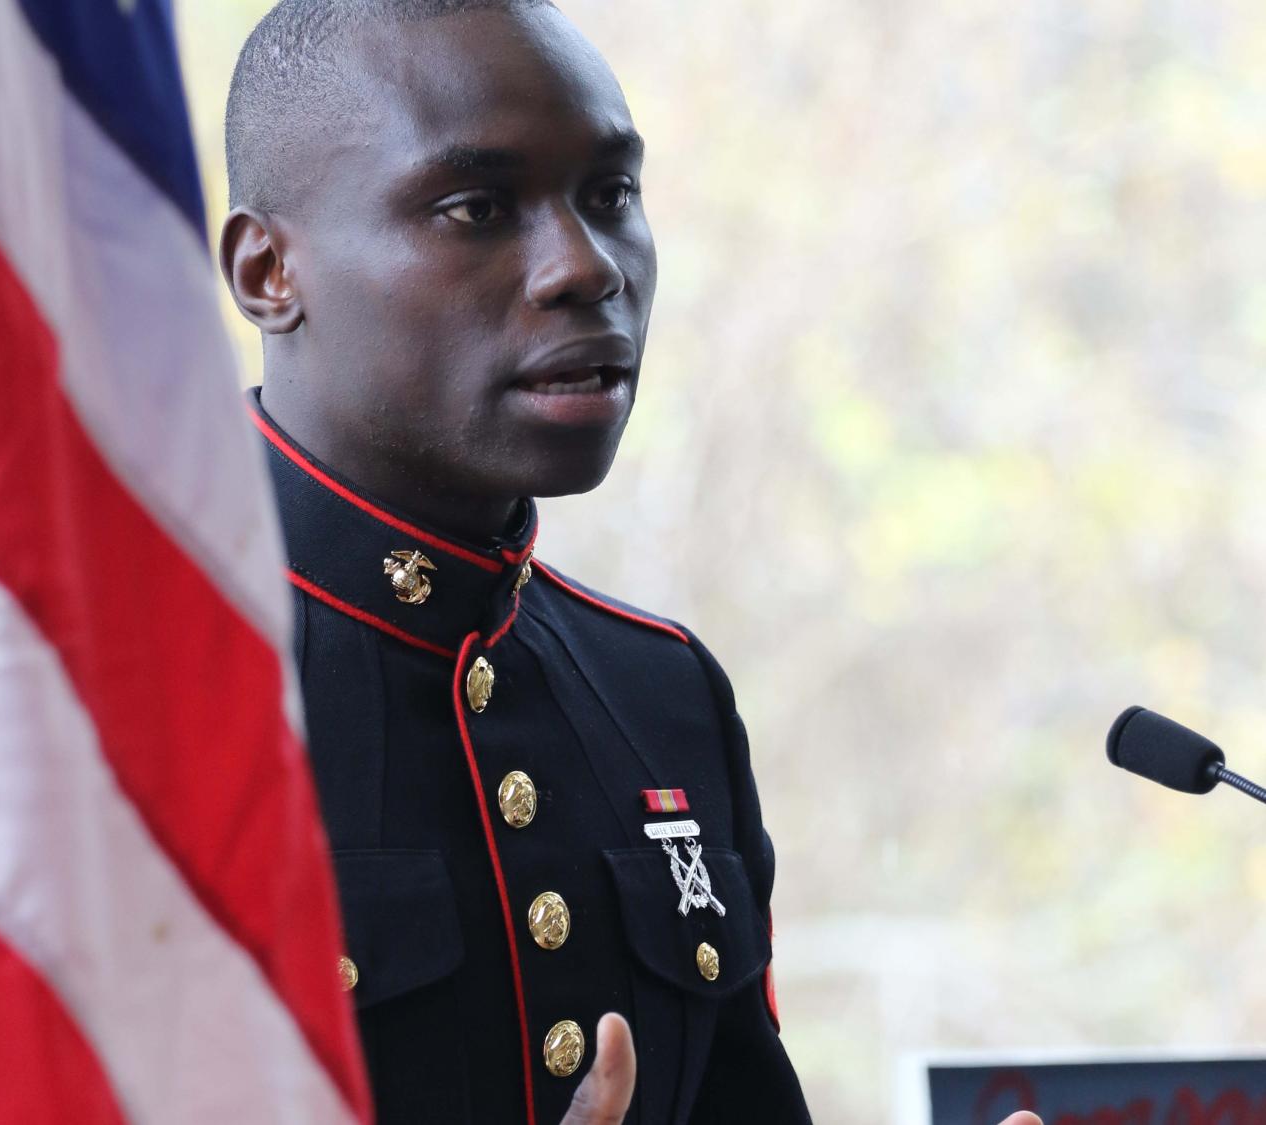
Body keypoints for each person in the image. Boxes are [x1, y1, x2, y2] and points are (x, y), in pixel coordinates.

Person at [219, 4, 1043, 1124]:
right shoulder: (98, 683)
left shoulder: (661, 692)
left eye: (610, 197)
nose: (584, 267)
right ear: (269, 270)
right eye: (477, 207)